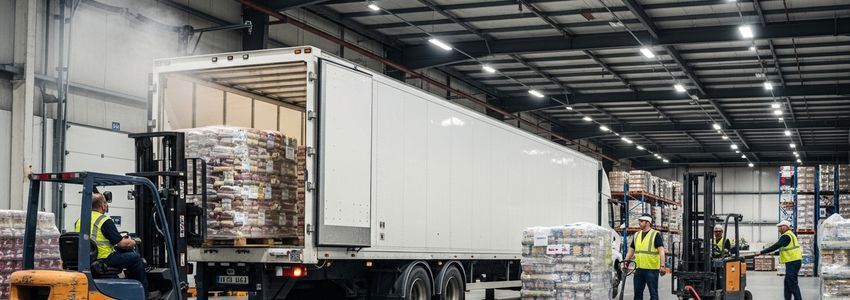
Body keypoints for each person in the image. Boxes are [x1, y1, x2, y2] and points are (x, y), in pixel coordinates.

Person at [75, 192, 149, 293]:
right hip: (103, 259)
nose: (106, 205)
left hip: (87, 260)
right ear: (102, 205)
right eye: (105, 203)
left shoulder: (80, 220)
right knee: (135, 258)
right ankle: (144, 293)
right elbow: (122, 244)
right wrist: (134, 241)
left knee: (124, 255)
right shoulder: (103, 220)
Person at [757, 220, 802, 300]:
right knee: (787, 283)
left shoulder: (786, 236)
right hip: (793, 261)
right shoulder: (790, 235)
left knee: (792, 283)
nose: (778, 229)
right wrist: (773, 254)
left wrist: (761, 252)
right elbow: (785, 249)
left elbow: (776, 245)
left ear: (785, 227)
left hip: (793, 262)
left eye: (780, 227)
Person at [624, 214, 666, 300]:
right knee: (637, 293)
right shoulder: (637, 235)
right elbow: (631, 250)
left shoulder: (655, 234)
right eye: (639, 221)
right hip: (639, 268)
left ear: (648, 222)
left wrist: (662, 265)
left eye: (641, 221)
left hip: (651, 269)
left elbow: (661, 250)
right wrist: (626, 262)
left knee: (653, 294)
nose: (639, 223)